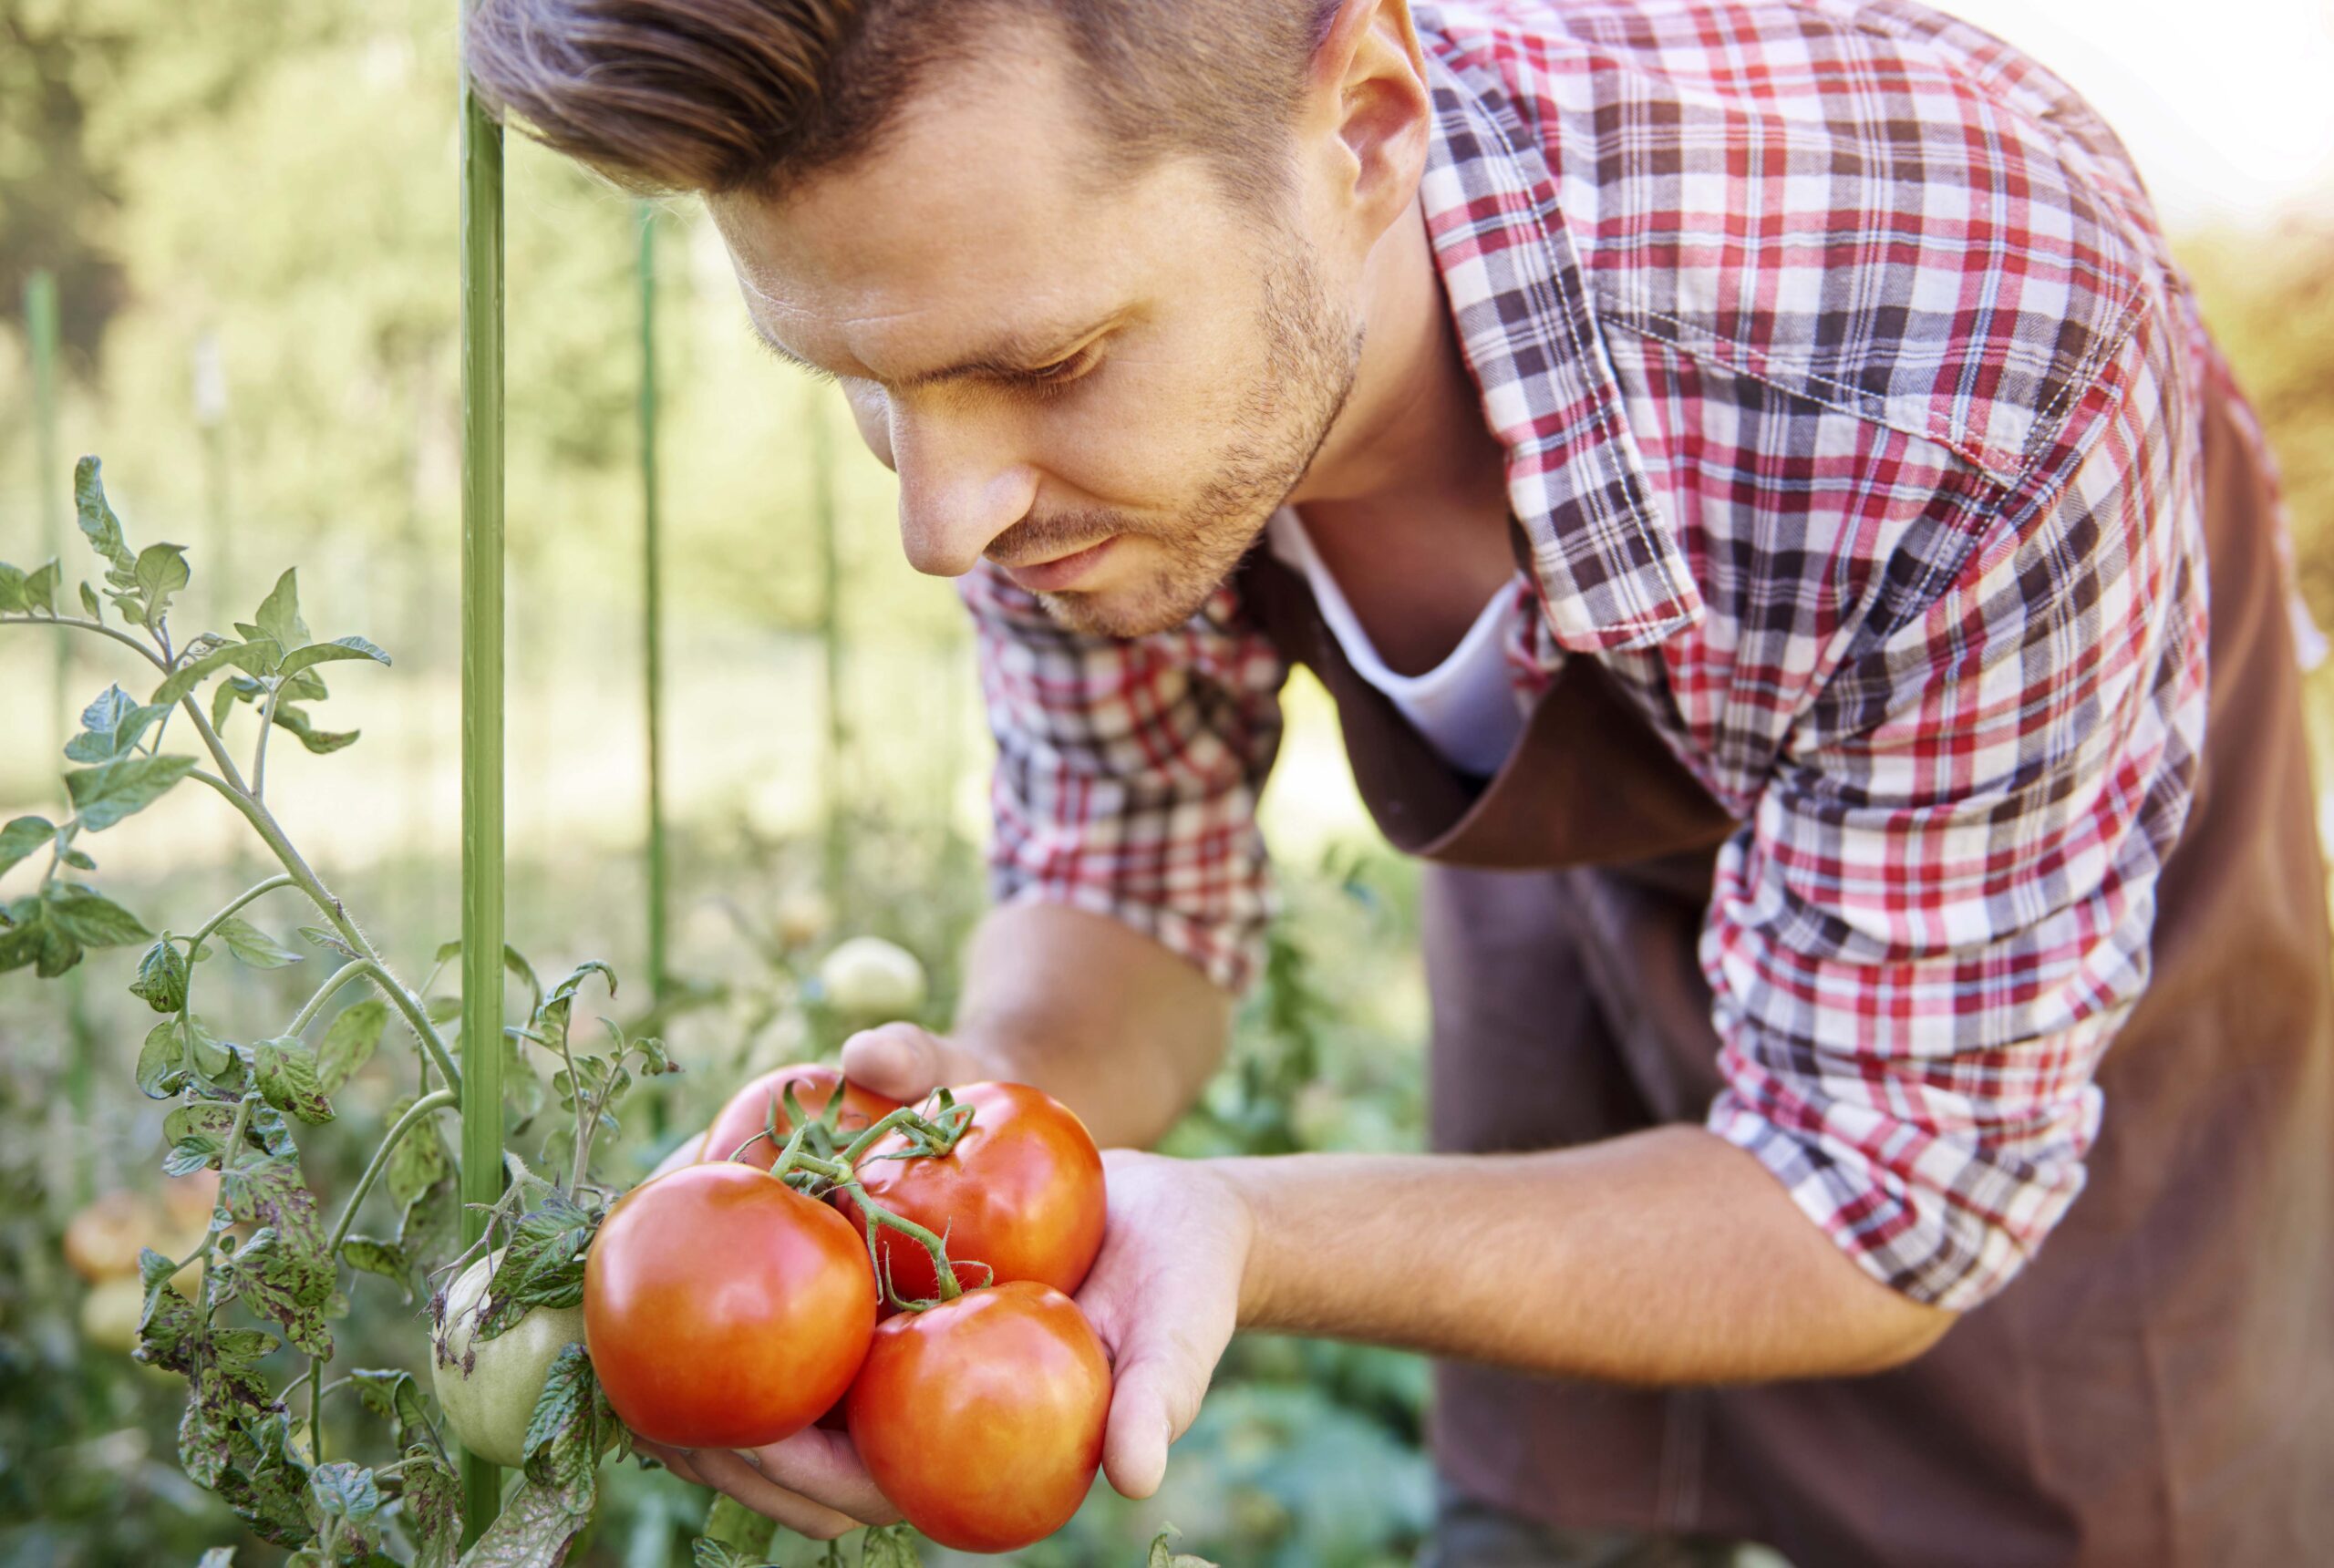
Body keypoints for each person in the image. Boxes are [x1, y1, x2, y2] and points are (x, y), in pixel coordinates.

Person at [467, 2, 2334, 1563]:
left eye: (1039, 364)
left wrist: (1253, 1227)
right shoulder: (1058, 343)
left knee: (2107, 1475)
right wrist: (971, 1149)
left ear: (1363, 130)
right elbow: (1124, 870)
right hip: (1572, 835)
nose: (938, 522)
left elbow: (1877, 1194)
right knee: (1541, 1505)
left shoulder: (1958, 335)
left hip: (2025, 921)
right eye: (858, 385)